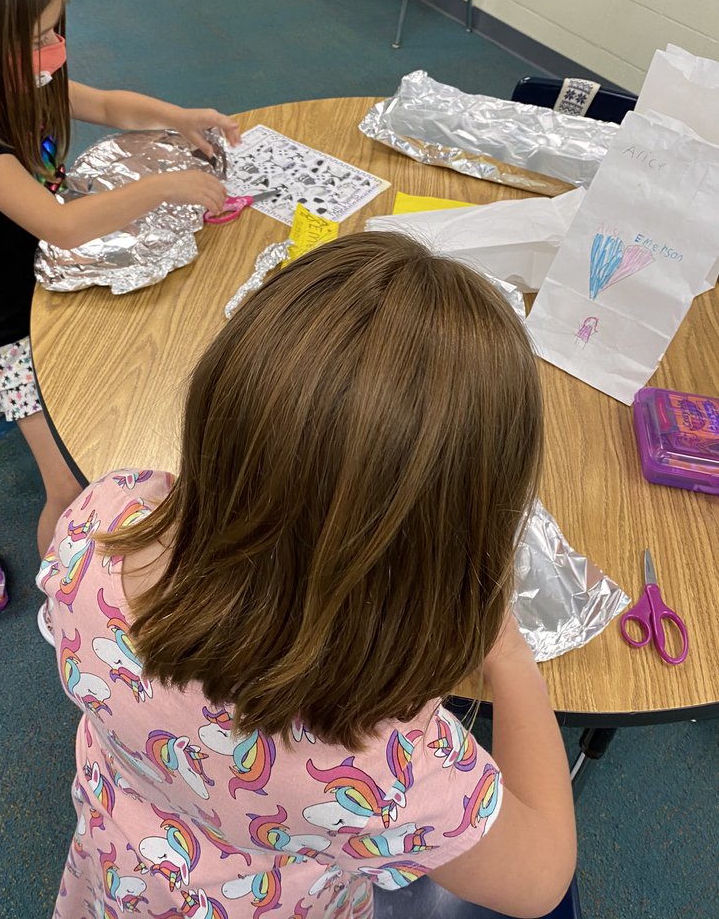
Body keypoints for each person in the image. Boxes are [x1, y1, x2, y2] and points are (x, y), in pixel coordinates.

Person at [38, 232, 576, 919]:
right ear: (445, 553)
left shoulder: (98, 524)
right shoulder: (380, 767)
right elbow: (542, 878)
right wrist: (509, 653)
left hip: (117, 871)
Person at [0, 0, 237, 569]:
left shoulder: (22, 80)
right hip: (10, 333)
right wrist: (164, 184)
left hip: (49, 286)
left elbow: (108, 104)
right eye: (35, 38)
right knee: (69, 489)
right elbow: (63, 225)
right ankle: (66, 603)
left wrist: (180, 118)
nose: (54, 50)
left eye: (57, 29)